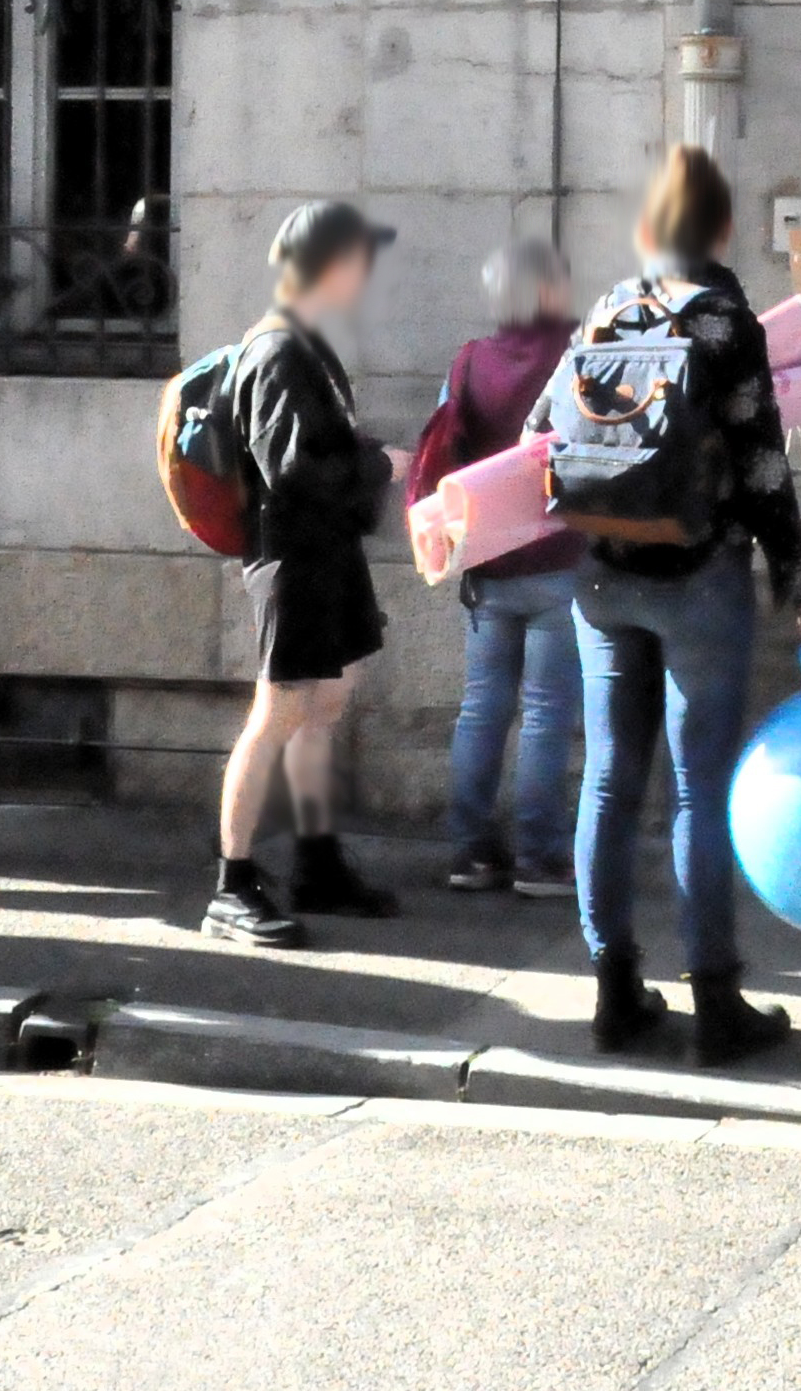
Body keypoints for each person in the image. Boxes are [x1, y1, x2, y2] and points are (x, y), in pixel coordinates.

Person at [547, 145, 801, 1068]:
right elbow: (761, 465)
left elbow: (542, 432)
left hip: (601, 576)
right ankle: (714, 1003)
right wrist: (799, 588)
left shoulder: (608, 307)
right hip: (699, 576)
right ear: (721, 225)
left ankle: (613, 995)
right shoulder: (725, 320)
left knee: (607, 780)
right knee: (698, 789)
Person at [204, 200, 404, 947]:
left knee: (325, 701)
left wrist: (370, 458)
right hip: (292, 561)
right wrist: (378, 465)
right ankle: (231, 885)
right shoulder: (278, 352)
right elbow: (291, 468)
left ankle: (317, 863)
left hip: (326, 553)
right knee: (278, 713)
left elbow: (319, 447)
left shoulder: (308, 346)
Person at [417, 237, 584, 900]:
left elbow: (445, 447)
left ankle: (470, 851)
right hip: (561, 561)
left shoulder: (469, 361)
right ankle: (540, 858)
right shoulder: (578, 354)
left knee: (481, 709)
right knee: (546, 714)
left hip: (487, 566)